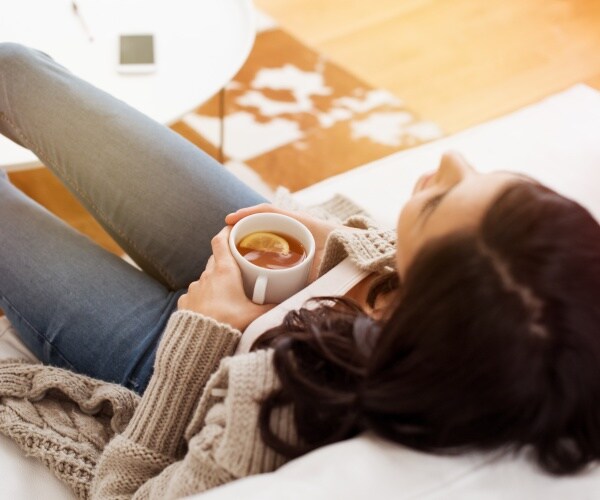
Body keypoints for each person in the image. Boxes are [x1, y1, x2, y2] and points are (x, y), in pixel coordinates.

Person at [0, 42, 599, 499]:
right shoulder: (521, 313)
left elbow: (129, 491)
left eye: (441, 201)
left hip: (178, 363)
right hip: (287, 274)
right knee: (16, 69)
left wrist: (202, 333)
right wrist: (338, 246)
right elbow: (404, 255)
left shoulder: (275, 415)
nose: (450, 158)